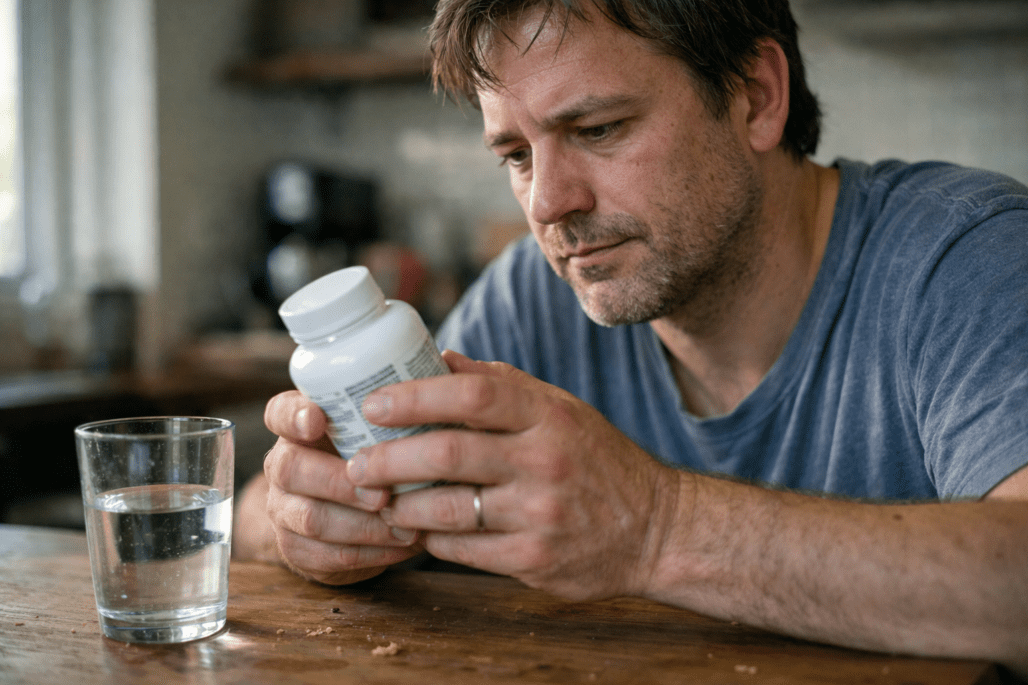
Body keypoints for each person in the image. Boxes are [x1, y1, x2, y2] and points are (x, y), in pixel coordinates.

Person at [235, 0, 1028, 673]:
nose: (547, 203)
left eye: (599, 128)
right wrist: (309, 519)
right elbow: (256, 516)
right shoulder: (534, 291)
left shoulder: (966, 257)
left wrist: (654, 527)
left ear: (756, 96)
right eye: (515, 154)